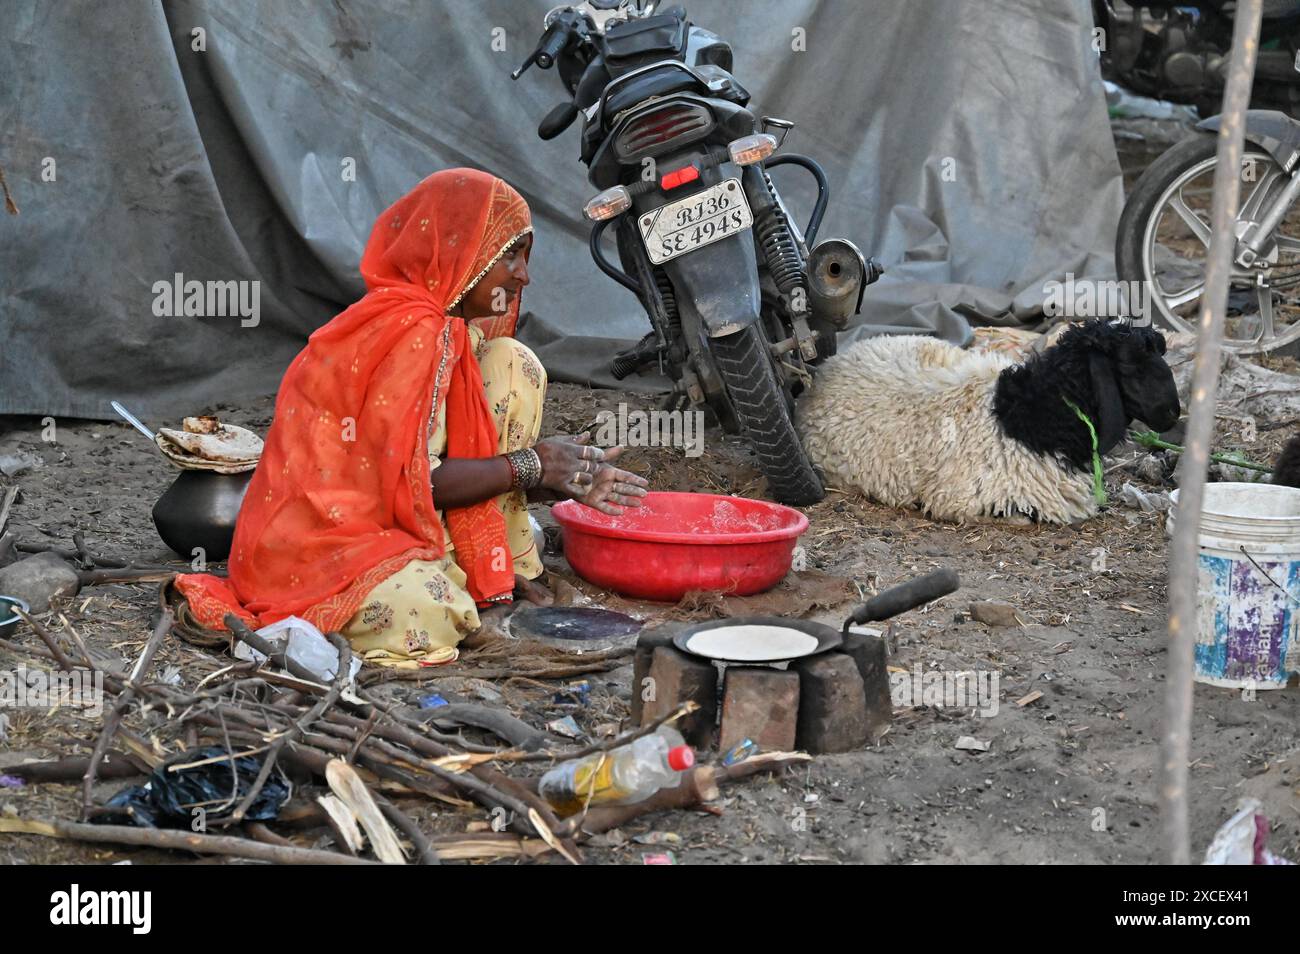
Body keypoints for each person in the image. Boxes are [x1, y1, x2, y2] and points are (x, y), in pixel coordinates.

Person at [176, 168, 649, 666]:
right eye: (511, 255)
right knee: (430, 613)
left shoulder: (453, 336)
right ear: (462, 253)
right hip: (326, 542)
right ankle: (458, 581)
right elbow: (413, 481)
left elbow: (448, 462)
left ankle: (500, 565)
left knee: (514, 363)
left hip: (405, 517)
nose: (523, 276)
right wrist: (534, 464)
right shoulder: (411, 333)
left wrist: (556, 476)